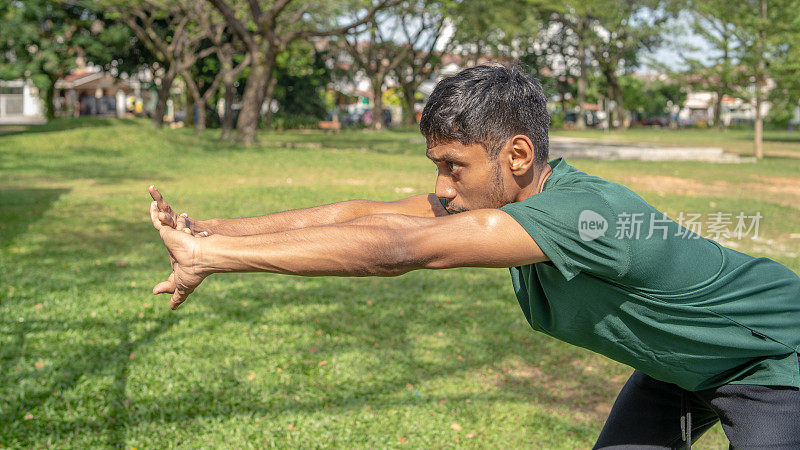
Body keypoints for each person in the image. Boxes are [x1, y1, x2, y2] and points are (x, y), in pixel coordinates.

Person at [148, 64, 800, 448]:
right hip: (676, 366)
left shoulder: (583, 217)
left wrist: (218, 260)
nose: (440, 189)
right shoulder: (507, 203)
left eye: (453, 168)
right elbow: (361, 216)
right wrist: (209, 231)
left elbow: (400, 249)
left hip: (775, 357)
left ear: (517, 156)